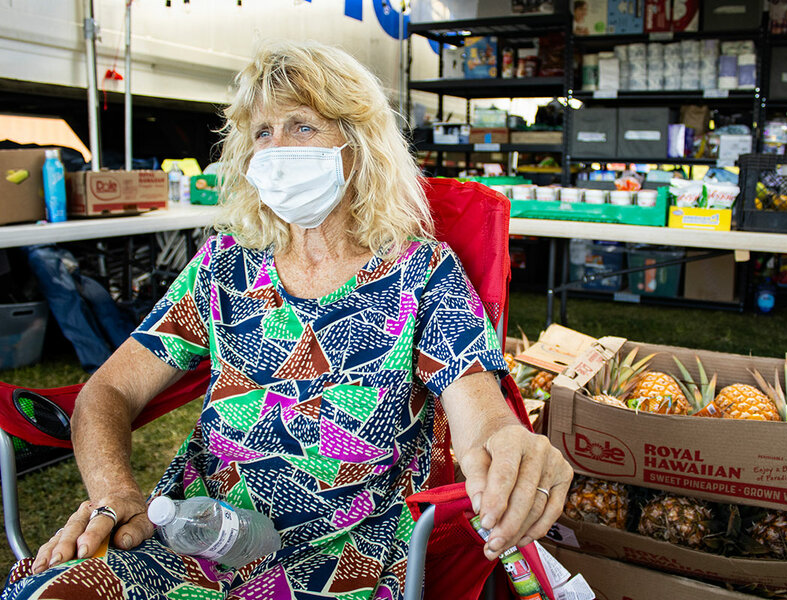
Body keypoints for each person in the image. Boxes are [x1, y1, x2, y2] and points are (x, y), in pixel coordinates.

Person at [2, 40, 572, 599]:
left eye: (301, 126)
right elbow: (108, 391)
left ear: (357, 145)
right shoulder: (225, 266)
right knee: (53, 593)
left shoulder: (419, 272)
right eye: (262, 133)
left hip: (345, 557)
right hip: (196, 533)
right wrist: (114, 491)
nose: (276, 150)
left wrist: (508, 444)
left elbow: (479, 411)